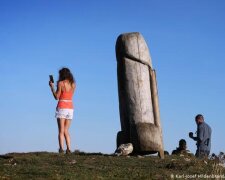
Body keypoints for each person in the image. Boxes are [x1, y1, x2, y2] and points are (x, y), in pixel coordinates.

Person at [49, 67, 76, 154]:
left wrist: (52, 87)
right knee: (66, 130)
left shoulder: (60, 83)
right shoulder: (73, 84)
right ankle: (68, 149)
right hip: (70, 107)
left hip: (62, 107)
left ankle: (61, 149)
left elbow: (56, 97)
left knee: (61, 131)